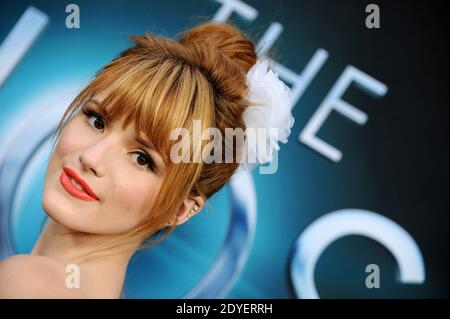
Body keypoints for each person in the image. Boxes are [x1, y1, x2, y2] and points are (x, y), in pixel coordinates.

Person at [0, 21, 293, 298]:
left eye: (142, 159)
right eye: (97, 120)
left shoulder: (27, 282)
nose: (91, 157)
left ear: (180, 209)